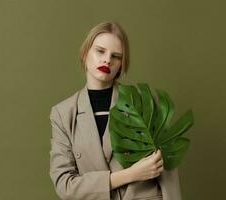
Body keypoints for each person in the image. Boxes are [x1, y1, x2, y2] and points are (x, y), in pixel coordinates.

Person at [49, 21, 182, 200]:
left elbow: (168, 174)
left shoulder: (143, 102)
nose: (107, 60)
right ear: (85, 52)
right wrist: (131, 174)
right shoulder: (63, 114)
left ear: (121, 64)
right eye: (100, 51)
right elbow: (65, 185)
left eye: (116, 56)